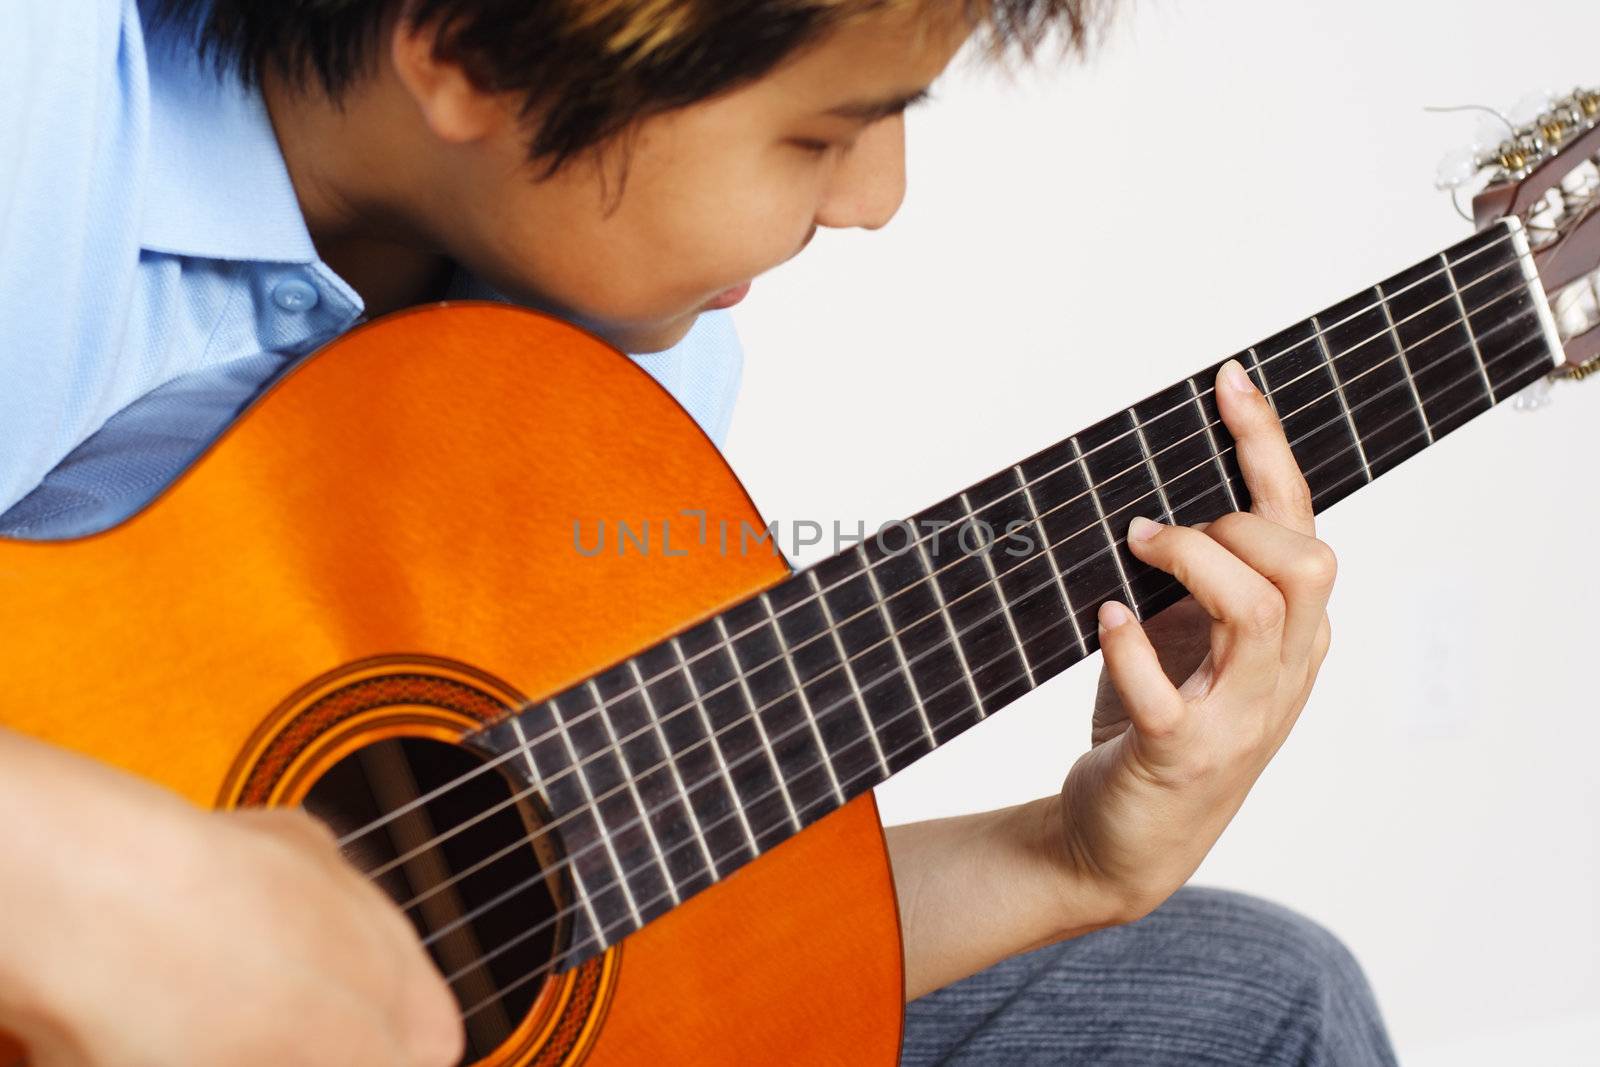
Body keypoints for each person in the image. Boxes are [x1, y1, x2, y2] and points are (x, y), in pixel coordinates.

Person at [0, 0, 1399, 1063]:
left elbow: (592, 939)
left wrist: (1063, 862)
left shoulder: (604, 382)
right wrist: (132, 897)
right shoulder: (40, 117)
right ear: (473, 56)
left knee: (1260, 1008)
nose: (874, 199)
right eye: (821, 131)